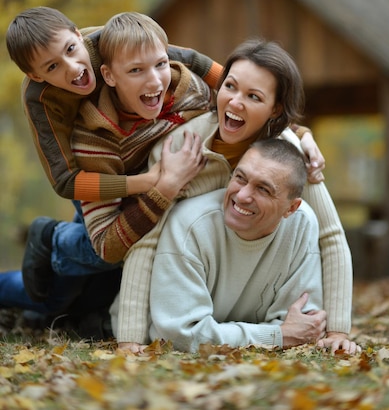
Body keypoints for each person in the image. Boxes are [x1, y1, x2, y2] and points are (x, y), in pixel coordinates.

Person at [115, 39, 357, 355]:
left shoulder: (289, 158)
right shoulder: (179, 148)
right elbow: (147, 239)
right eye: (230, 86)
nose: (235, 102)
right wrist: (129, 337)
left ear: (275, 108)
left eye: (253, 96)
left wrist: (338, 330)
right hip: (163, 274)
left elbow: (331, 235)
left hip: (225, 290)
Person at [5, 7, 221, 310]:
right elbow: (66, 182)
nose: (72, 68)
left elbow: (192, 59)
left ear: (79, 35)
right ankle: (53, 238)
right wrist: (144, 182)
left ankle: (75, 307)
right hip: (87, 170)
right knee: (94, 257)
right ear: (35, 75)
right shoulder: (39, 99)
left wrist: (243, 92)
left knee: (79, 290)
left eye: (71, 49)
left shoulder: (107, 40)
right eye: (52, 67)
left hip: (125, 153)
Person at [149, 139, 327, 351]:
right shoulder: (190, 224)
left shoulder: (302, 224)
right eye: (240, 178)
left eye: (263, 189)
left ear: (290, 208)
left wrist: (285, 333)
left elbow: (301, 325)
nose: (242, 196)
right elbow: (180, 334)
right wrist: (275, 336)